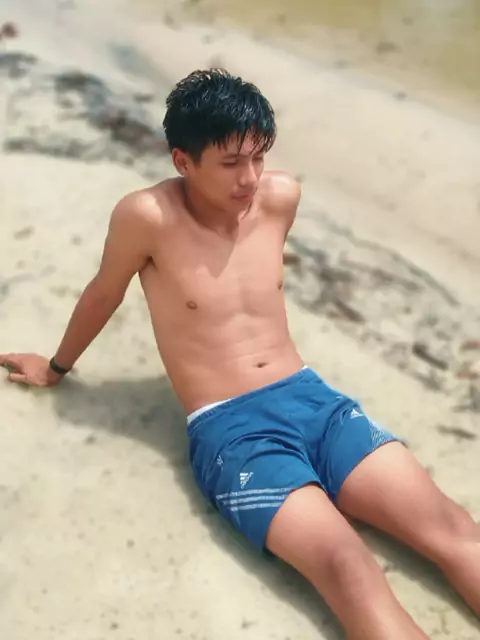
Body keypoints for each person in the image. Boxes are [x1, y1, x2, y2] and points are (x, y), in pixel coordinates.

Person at [1, 69, 479, 640]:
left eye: (257, 157)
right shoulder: (147, 218)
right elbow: (104, 292)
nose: (249, 178)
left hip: (313, 401)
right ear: (183, 161)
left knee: (453, 528)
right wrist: (56, 367)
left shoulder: (280, 198)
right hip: (233, 431)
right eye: (230, 163)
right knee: (349, 567)